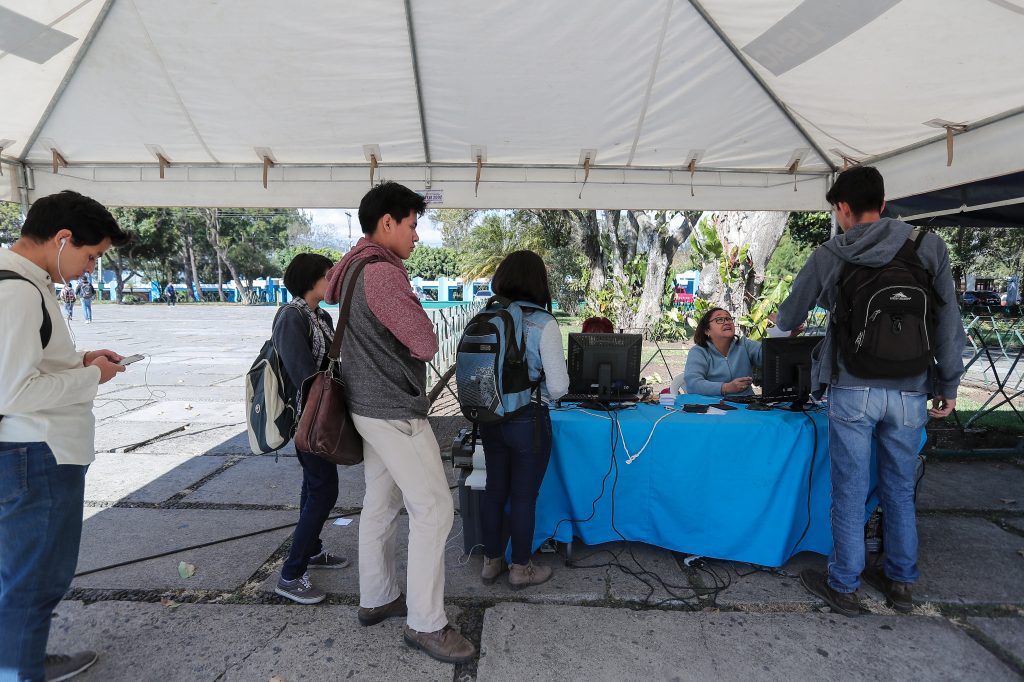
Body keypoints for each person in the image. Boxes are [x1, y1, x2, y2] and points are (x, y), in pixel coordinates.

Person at [775, 166, 964, 616]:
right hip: (912, 389)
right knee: (899, 487)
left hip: (853, 387)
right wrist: (949, 383)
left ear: (842, 207)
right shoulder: (927, 246)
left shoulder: (833, 251)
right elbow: (947, 322)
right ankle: (900, 581)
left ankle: (843, 584)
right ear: (882, 202)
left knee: (850, 489)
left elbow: (787, 317)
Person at [324, 182, 475, 664]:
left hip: (367, 406)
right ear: (386, 222)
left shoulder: (352, 267)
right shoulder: (383, 273)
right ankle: (426, 623)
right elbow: (425, 342)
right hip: (393, 410)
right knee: (434, 509)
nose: (416, 235)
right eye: (411, 225)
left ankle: (378, 596)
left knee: (381, 502)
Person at [0, 190, 130, 681]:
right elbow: (13, 390)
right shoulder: (17, 291)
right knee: (34, 581)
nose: (90, 268)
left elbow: (25, 363)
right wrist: (92, 376)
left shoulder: (24, 281)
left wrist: (79, 360)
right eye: (91, 256)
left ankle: (23, 658)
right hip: (36, 451)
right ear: (62, 238)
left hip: (30, 450)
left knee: (22, 574)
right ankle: (19, 668)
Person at [478, 251, 569, 590]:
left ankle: (491, 563)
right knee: (523, 497)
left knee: (494, 490)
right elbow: (558, 388)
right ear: (538, 282)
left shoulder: (487, 315)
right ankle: (520, 568)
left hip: (490, 416)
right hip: (528, 420)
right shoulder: (544, 323)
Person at [271, 253, 350, 605]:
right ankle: (291, 574)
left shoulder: (320, 315)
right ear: (311, 279)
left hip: (322, 416)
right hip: (309, 419)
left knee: (313, 486)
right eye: (329, 275)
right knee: (324, 491)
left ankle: (313, 550)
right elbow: (303, 374)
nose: (334, 281)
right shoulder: (291, 316)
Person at [680, 308, 762, 396]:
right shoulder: (699, 352)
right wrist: (726, 388)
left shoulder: (745, 345)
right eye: (719, 319)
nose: (726, 322)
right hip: (714, 403)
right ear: (707, 330)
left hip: (747, 402)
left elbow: (769, 355)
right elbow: (693, 384)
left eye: (728, 318)